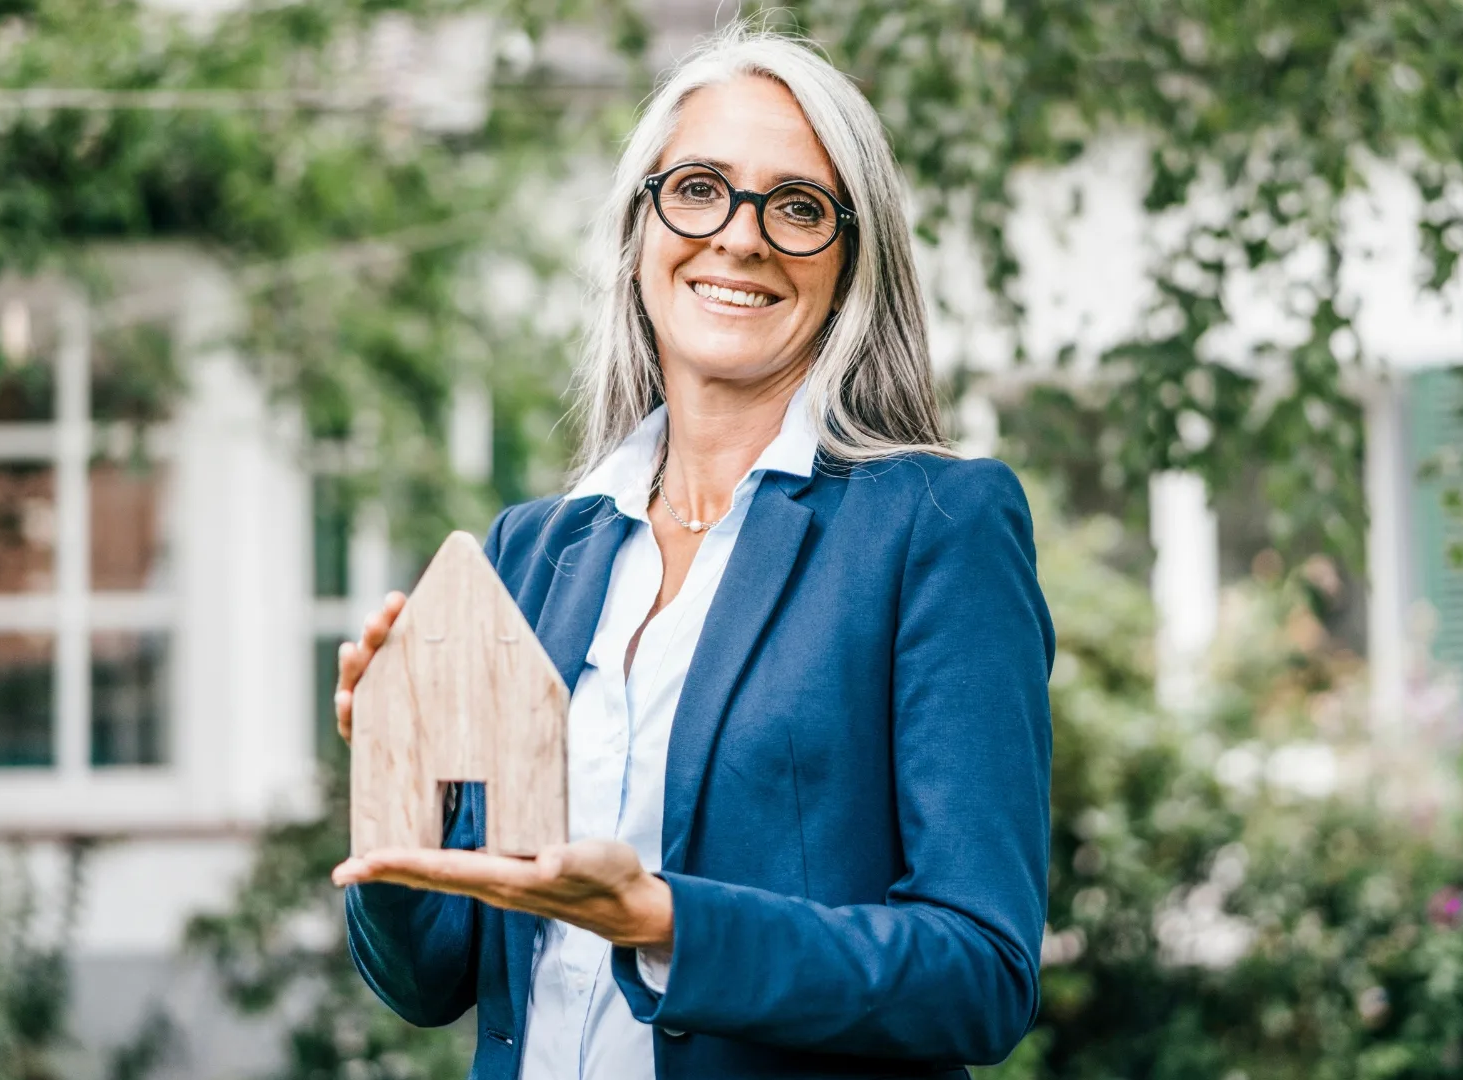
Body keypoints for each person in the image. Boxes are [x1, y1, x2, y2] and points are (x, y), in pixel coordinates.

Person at [329, 25, 1054, 1080]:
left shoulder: (936, 526)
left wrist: (665, 921)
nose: (741, 237)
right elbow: (435, 978)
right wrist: (393, 786)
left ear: (854, 263)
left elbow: (981, 972)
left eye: (798, 206)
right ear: (640, 230)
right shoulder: (535, 553)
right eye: (701, 188)